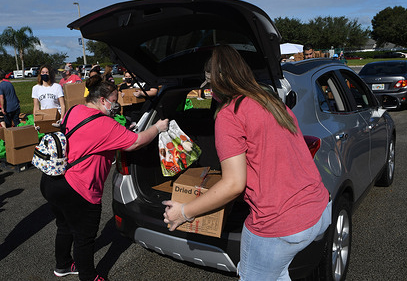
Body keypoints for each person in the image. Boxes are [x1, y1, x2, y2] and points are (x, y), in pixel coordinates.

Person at [163, 45, 331, 281]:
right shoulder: (271, 102)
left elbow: (233, 184)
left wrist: (184, 212)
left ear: (217, 84)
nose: (211, 93)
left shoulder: (230, 114)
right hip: (320, 208)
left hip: (279, 223)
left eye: (210, 87)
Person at [40, 74, 169, 281]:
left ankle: (63, 265)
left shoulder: (74, 110)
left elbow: (88, 138)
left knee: (64, 226)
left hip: (53, 181)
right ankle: (89, 277)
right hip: (79, 188)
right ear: (102, 100)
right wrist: (157, 127)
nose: (115, 106)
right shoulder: (105, 124)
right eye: (114, 101)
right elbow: (135, 142)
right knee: (84, 237)